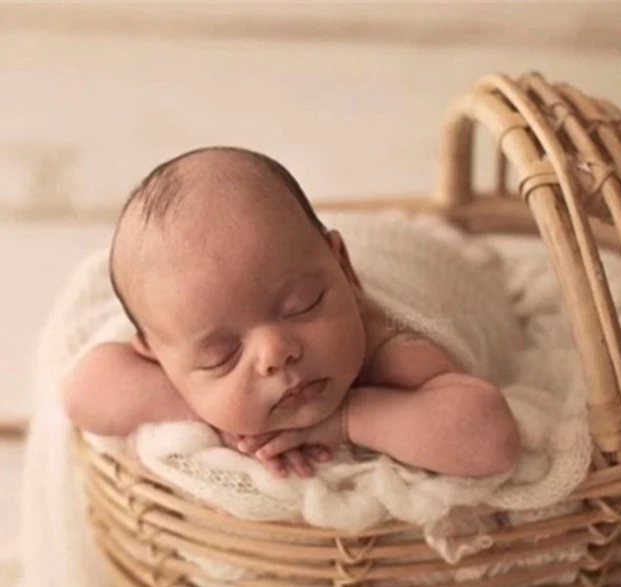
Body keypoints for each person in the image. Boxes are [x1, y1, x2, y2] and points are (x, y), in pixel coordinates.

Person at [62, 146, 521, 478]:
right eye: (222, 355)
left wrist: (345, 419)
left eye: (303, 305)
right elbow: (82, 393)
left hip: (423, 261)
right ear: (158, 359)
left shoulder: (394, 349)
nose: (275, 353)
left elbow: (491, 439)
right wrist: (219, 414)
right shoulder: (183, 335)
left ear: (343, 268)